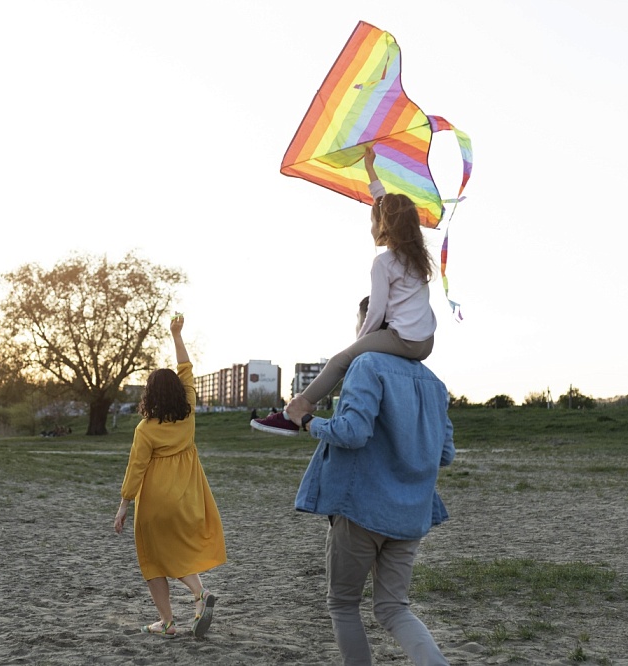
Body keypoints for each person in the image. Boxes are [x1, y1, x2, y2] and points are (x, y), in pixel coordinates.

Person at [251, 144, 437, 435]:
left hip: (406, 341)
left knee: (340, 360)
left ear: (385, 229)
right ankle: (296, 409)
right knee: (367, 343)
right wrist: (370, 168)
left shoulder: (384, 263)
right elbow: (386, 203)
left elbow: (375, 312)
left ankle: (294, 413)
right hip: (426, 341)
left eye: (374, 222)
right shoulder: (416, 256)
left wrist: (356, 350)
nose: (371, 227)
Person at [294, 351, 455, 665]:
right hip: (411, 515)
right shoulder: (433, 382)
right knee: (394, 609)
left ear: (368, 324)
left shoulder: (366, 364)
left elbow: (352, 432)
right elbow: (446, 454)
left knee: (343, 604)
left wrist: (306, 420)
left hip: (360, 509)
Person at [114, 314, 226, 639]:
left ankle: (166, 622)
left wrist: (123, 506)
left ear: (149, 394)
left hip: (155, 500)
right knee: (177, 550)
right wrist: (177, 335)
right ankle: (199, 593)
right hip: (189, 493)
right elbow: (186, 368)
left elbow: (136, 468)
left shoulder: (145, 429)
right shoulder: (188, 409)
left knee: (152, 558)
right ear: (178, 392)